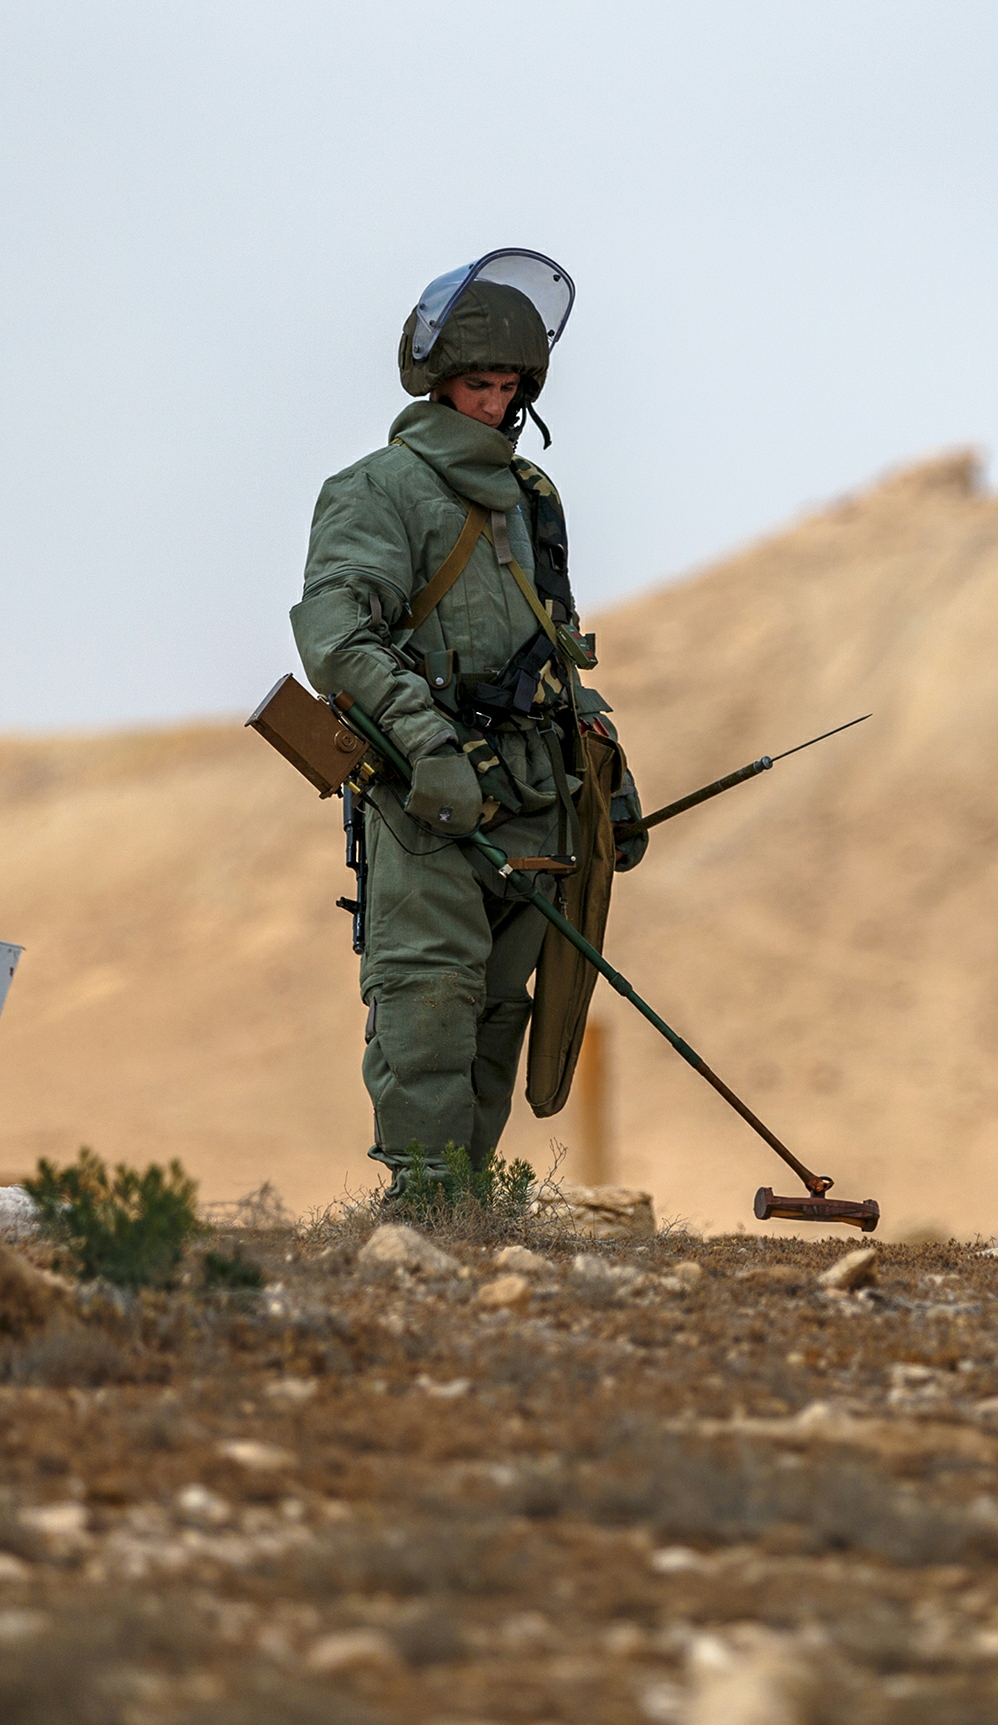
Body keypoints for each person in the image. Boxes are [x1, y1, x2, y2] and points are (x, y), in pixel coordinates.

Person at [289, 261, 643, 1200]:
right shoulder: (376, 491)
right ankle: (423, 1221)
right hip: (428, 802)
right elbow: (337, 636)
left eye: (507, 387)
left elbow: (555, 645)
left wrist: (609, 771)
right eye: (475, 384)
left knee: (497, 1017)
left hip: (532, 797)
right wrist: (431, 747)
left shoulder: (529, 499)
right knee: (428, 1009)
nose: (492, 402)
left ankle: (472, 1224)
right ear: (437, 381)